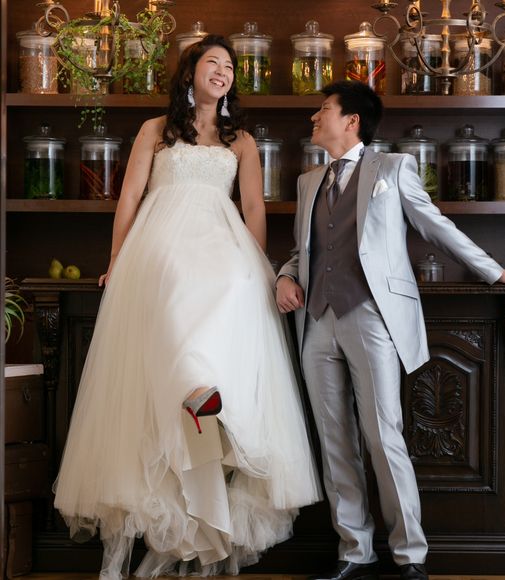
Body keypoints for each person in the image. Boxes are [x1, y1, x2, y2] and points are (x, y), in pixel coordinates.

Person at [53, 35, 321, 580]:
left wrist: (259, 266)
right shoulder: (155, 129)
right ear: (190, 72)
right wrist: (116, 260)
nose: (223, 72)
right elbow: (130, 196)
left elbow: (252, 207)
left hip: (220, 250)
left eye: (230, 67)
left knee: (220, 315)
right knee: (176, 331)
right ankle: (197, 403)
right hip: (161, 251)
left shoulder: (241, 140)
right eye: (212, 63)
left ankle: (207, 410)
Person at [275, 80, 505, 580]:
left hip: (372, 317)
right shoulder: (308, 182)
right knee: (334, 442)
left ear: (351, 120)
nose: (314, 117)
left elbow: (435, 225)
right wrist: (285, 276)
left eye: (323, 109)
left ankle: (409, 554)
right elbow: (304, 251)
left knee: (384, 437)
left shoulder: (393, 168)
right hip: (318, 322)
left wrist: (494, 271)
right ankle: (354, 551)